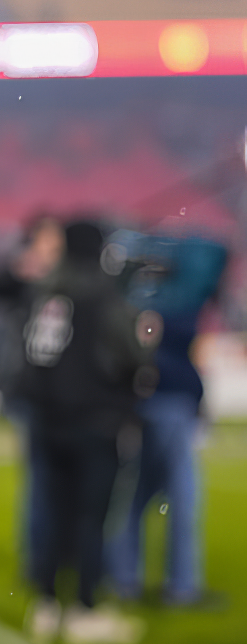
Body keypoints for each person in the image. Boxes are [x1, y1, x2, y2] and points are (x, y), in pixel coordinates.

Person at [20, 220, 154, 644]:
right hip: (96, 423)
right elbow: (132, 355)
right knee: (91, 519)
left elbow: (28, 357)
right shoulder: (102, 295)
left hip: (49, 422)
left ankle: (45, 604)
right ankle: (84, 608)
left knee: (54, 515)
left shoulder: (45, 293)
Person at [108, 230, 228, 607]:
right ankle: (181, 586)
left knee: (134, 495)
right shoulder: (177, 299)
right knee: (182, 497)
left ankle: (123, 580)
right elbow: (213, 252)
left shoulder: (131, 295)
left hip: (139, 403)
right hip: (170, 404)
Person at [0, 215, 64, 580]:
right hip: (33, 390)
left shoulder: (71, 282)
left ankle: (60, 556)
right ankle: (37, 559)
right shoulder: (24, 281)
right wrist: (19, 270)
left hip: (69, 393)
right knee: (40, 480)